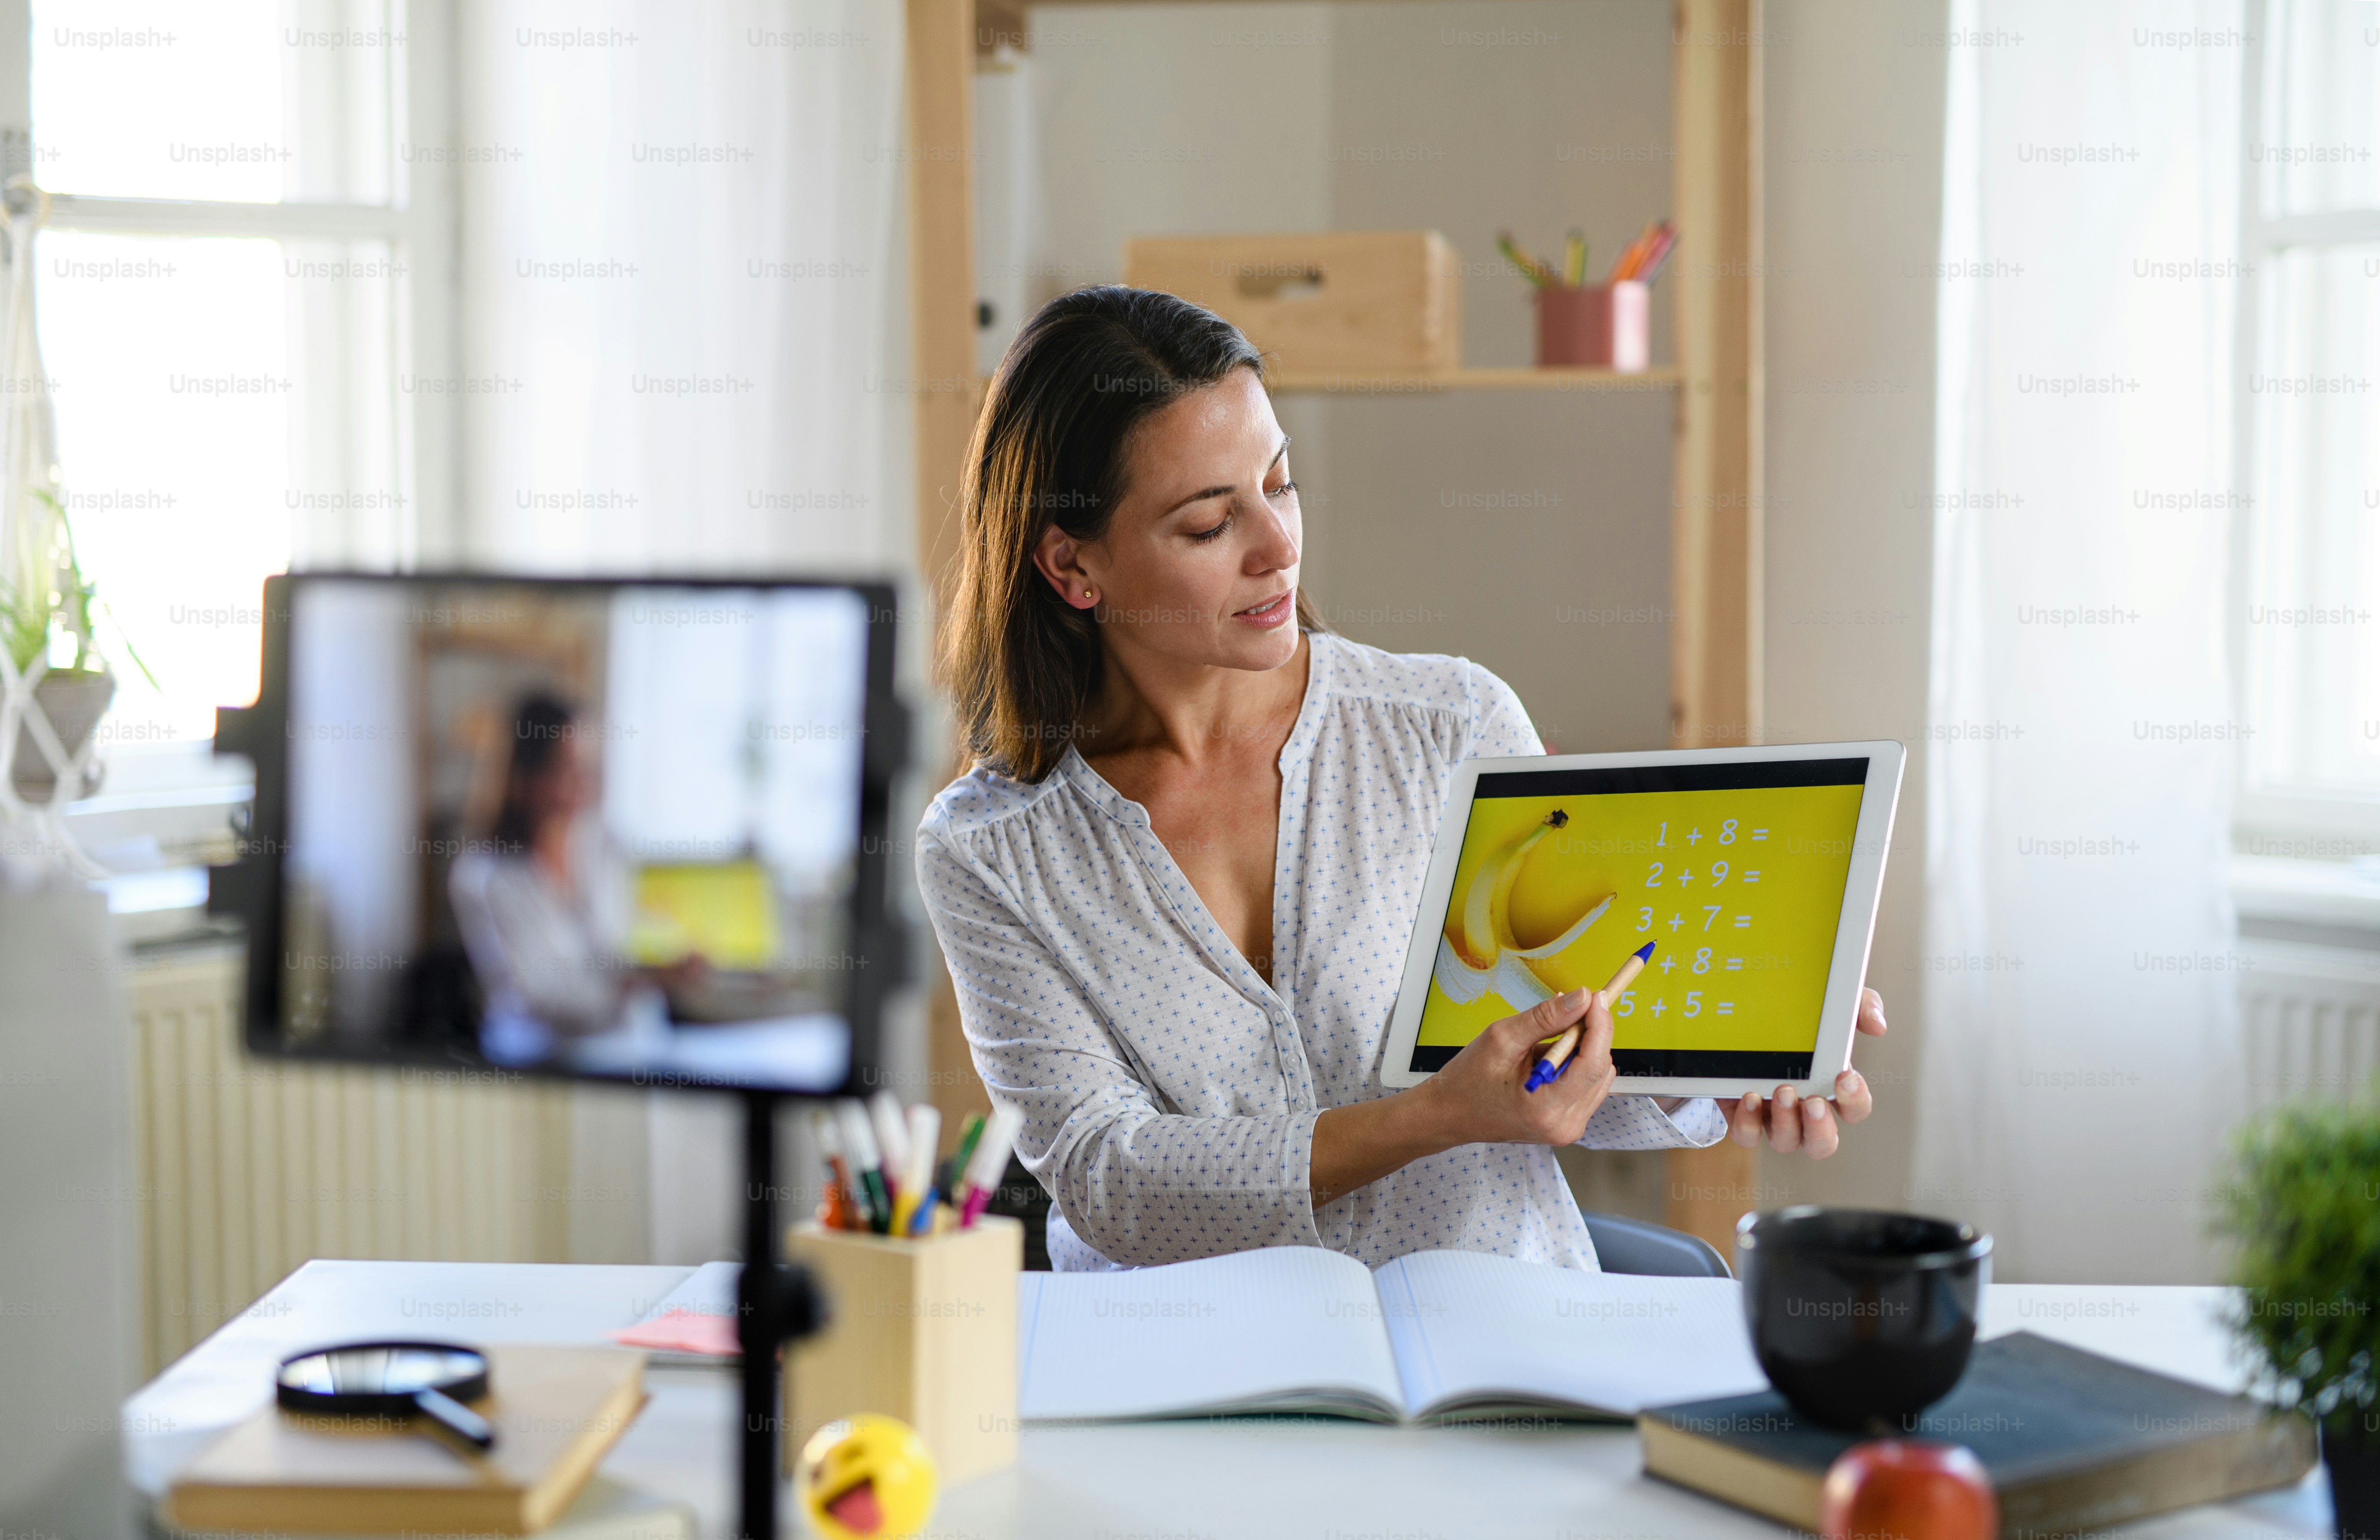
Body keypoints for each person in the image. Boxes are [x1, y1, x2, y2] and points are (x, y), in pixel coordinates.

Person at [916, 287, 1888, 1272]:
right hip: (1193, 1376)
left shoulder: (1447, 725)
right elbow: (1110, 1180)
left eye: (1279, 482)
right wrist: (1427, 1118)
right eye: (1210, 524)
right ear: (1072, 567)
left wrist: (1720, 1065)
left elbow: (1567, 1067)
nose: (1277, 544)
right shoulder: (990, 847)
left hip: (1493, 1345)